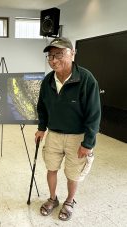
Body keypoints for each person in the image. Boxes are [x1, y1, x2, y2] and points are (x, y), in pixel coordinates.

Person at [35, 37, 101, 221]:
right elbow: (42, 107)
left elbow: (94, 114)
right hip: (54, 135)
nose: (53, 60)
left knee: (73, 173)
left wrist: (88, 143)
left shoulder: (86, 79)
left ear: (72, 53)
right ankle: (53, 198)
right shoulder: (48, 81)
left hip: (77, 137)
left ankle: (70, 201)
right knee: (51, 168)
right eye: (50, 56)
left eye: (59, 54)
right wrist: (41, 128)